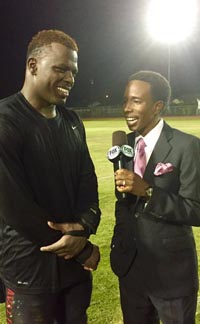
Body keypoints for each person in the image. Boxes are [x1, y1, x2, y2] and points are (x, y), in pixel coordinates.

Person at [0, 29, 101, 324]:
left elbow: (88, 180)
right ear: (33, 66)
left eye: (73, 71)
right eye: (61, 68)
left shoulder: (71, 120)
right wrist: (81, 249)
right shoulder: (5, 121)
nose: (70, 78)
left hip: (73, 274)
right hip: (29, 271)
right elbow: (16, 209)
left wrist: (87, 223)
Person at [110, 70, 200, 324]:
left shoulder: (187, 146)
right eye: (125, 100)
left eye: (136, 101)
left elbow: (196, 209)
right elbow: (123, 204)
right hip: (131, 271)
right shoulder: (124, 145)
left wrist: (149, 191)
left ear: (157, 106)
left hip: (171, 275)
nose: (127, 108)